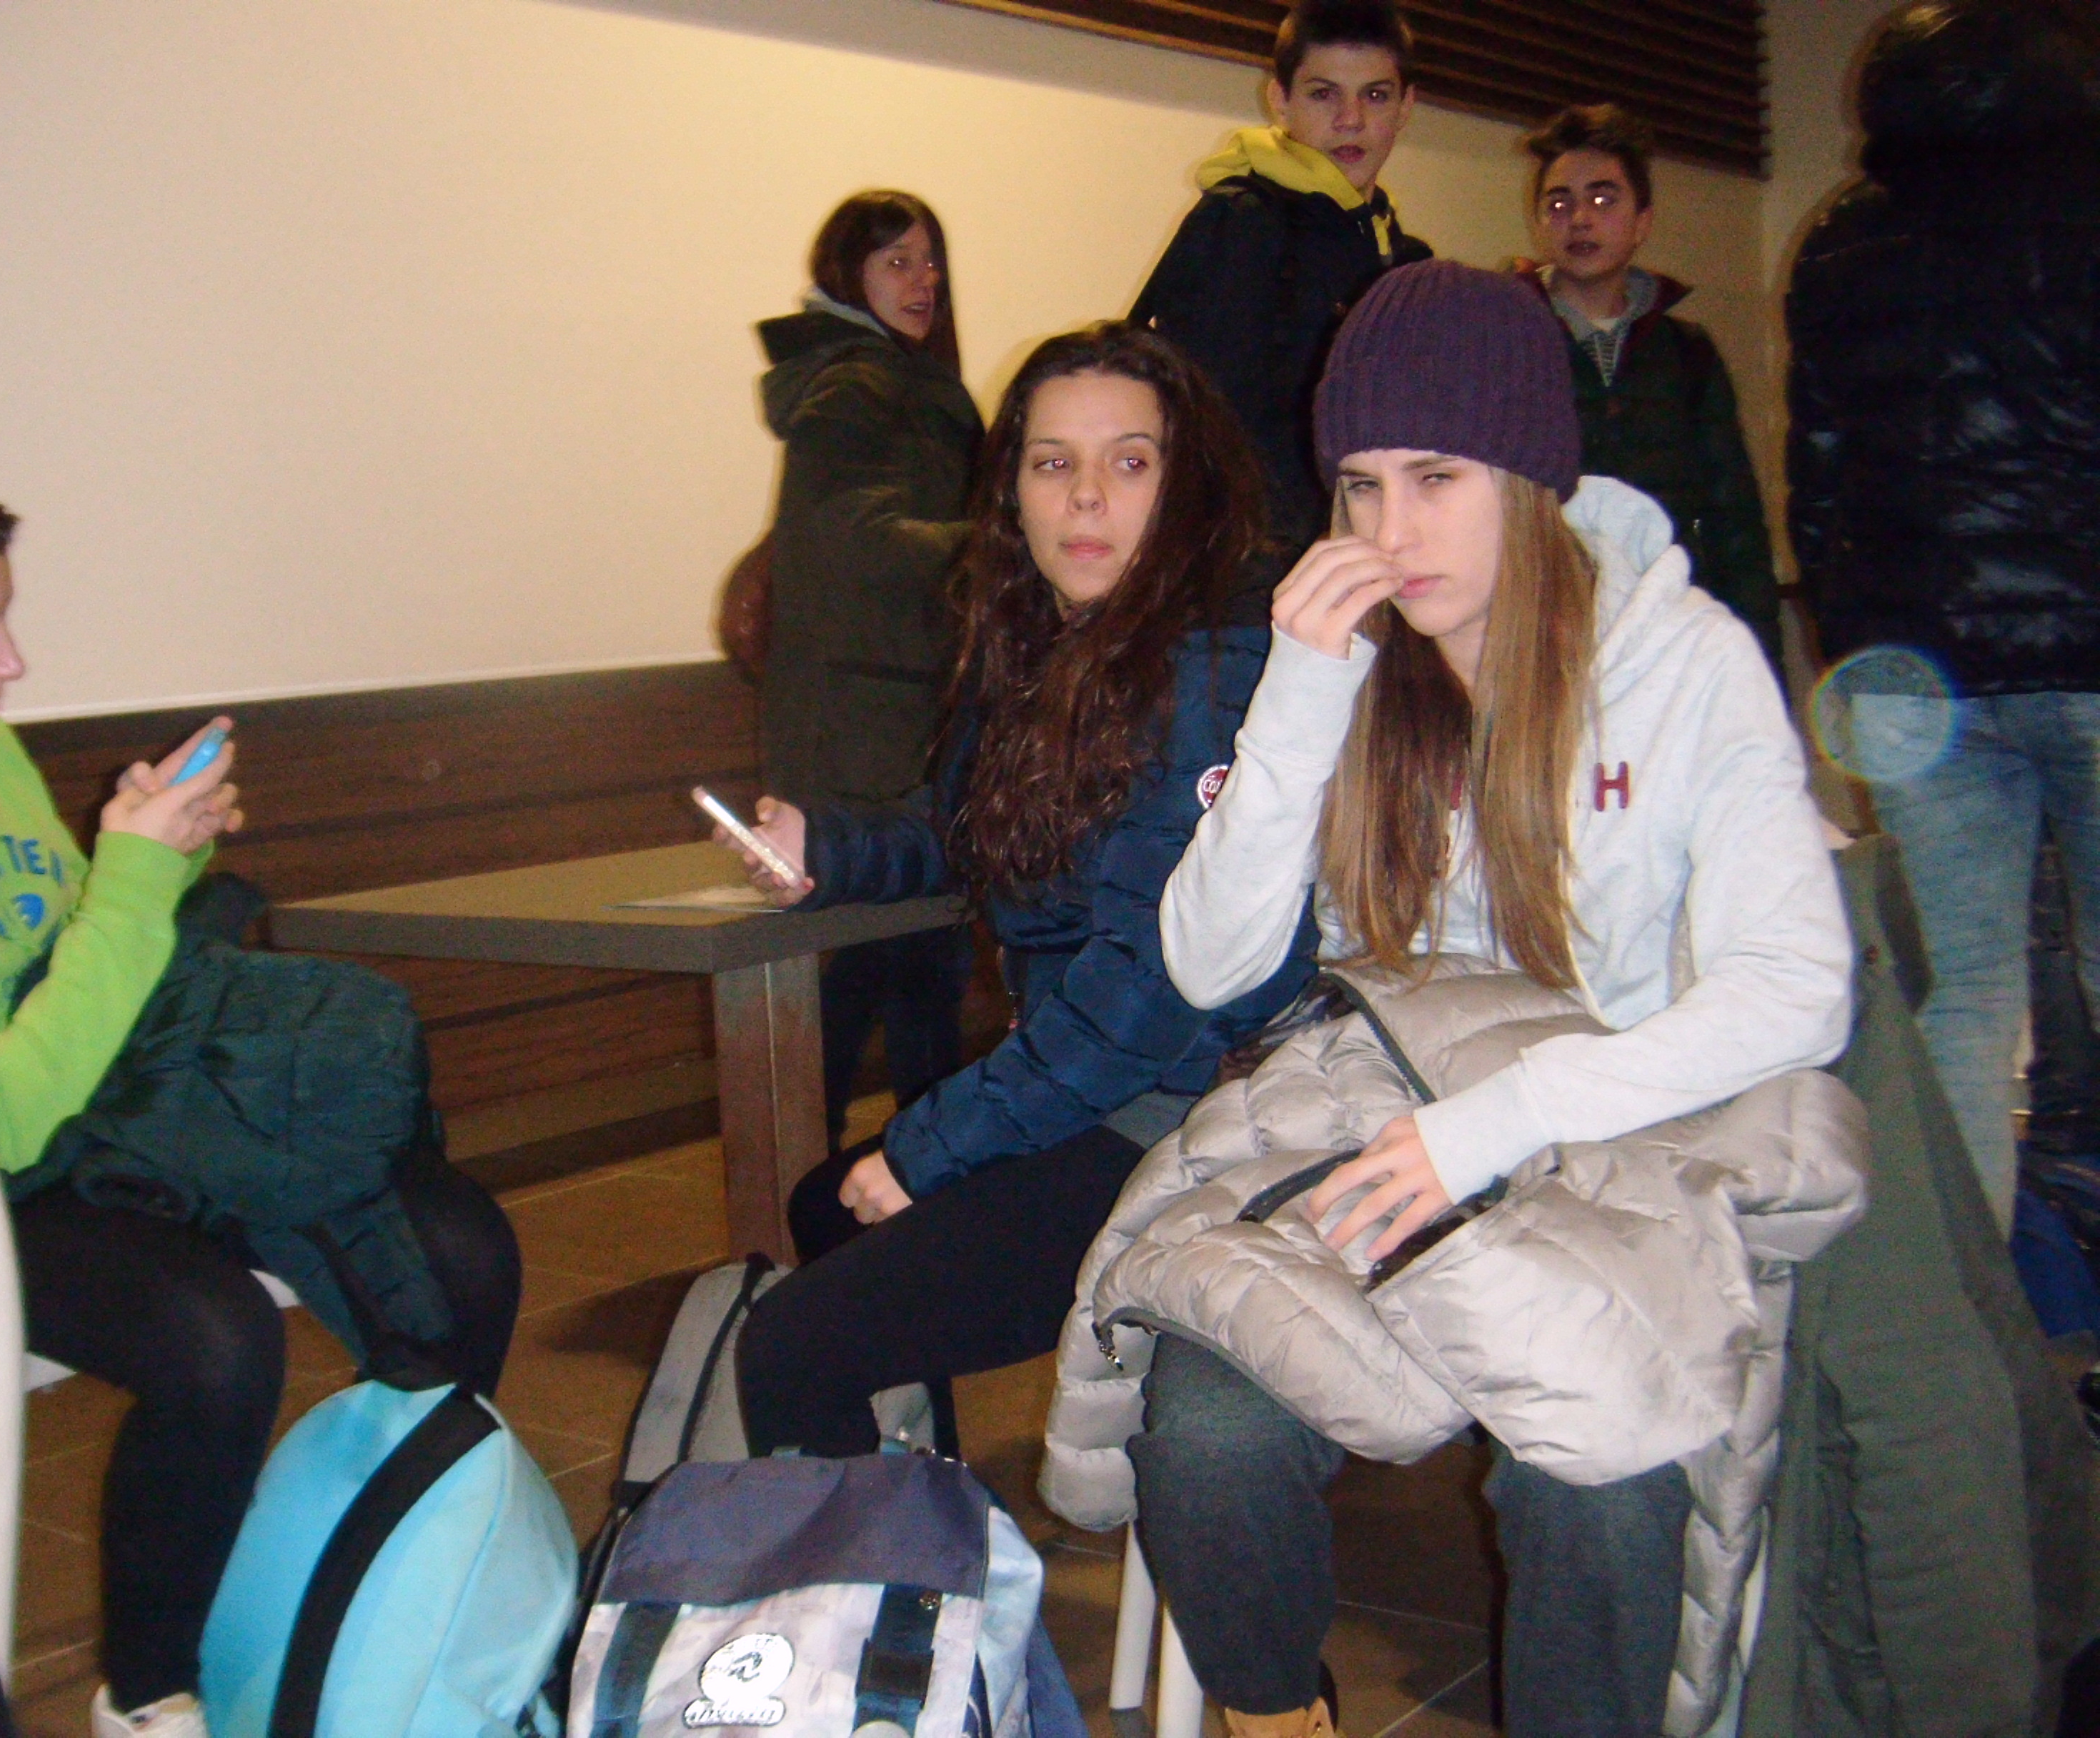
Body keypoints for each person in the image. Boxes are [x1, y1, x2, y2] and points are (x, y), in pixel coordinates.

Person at [1111, 262, 1853, 1737]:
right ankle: (1276, 1717)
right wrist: (1299, 694)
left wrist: (1504, 1120)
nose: (1391, 532)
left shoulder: (1681, 661)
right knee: (1202, 1426)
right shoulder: (1345, 666)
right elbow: (1206, 963)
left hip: (1618, 1153)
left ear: (1528, 478)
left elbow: (1799, 988)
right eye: (1361, 485)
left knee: (1600, 1483)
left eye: (1437, 478)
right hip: (1390, 1135)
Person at [0, 465, 518, 1738]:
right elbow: (0, 1118)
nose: (11, 664)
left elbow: (94, 974)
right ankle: (146, 1689)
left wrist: (160, 857)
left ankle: (392, 1573)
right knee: (214, 1337)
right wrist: (130, 882)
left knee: (461, 1244)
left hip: (106, 1128)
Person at [718, 324, 1318, 1458]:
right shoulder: (1049, 648)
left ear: (1186, 486)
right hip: (1099, 1088)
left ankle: (894, 1561)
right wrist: (824, 847)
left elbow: (1144, 1005)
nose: (1086, 497)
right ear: (1012, 496)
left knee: (792, 1346)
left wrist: (930, 1148)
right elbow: (966, 830)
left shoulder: (1217, 674)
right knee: (825, 1210)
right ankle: (926, 1509)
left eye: (1129, 462)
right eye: (1053, 464)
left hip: (1188, 1117)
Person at [1789, 0, 2100, 1236]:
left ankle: (1982, 1320)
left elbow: (1816, 478)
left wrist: (1853, 643)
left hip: (1915, 679)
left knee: (1964, 1000)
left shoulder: (1842, 244)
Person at [757, 191, 985, 1148]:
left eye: (930, 261)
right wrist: (992, 547)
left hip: (884, 713)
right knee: (898, 968)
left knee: (888, 969)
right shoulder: (857, 383)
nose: (922, 281)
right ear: (848, 274)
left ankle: (857, 1178)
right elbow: (851, 533)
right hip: (867, 728)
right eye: (896, 261)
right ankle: (899, 1181)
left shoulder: (889, 377)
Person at [1130, 0, 1431, 557]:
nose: (1351, 120)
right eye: (1323, 94)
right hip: (1256, 567)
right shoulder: (1241, 223)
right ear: (1280, 100)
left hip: (1371, 551)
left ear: (1407, 105)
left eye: (1375, 95)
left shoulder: (1404, 256)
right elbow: (1204, 430)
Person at [1516, 103, 1783, 677]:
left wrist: (1761, 670)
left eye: (1603, 200)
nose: (1579, 219)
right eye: (1559, 203)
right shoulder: (1505, 340)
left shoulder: (1688, 353)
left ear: (1642, 222)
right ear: (1539, 223)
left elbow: (1736, 523)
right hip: (1545, 639)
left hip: (1670, 635)